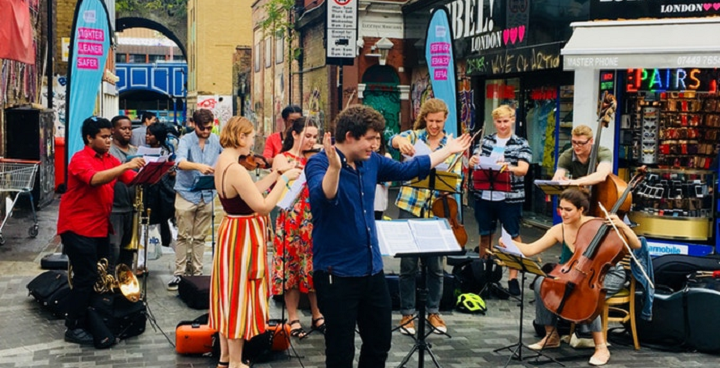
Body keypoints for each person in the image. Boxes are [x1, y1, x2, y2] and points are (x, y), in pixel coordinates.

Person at [305, 105, 471, 368]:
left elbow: (408, 169)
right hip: (336, 274)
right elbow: (324, 197)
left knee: (380, 342)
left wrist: (448, 151)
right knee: (340, 350)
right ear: (350, 136)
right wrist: (335, 169)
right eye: (371, 139)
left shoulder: (372, 162)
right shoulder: (319, 162)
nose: (375, 145)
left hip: (371, 271)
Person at [502, 187, 641, 366]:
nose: (563, 213)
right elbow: (531, 249)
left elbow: (636, 244)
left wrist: (621, 225)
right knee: (541, 283)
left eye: (568, 210)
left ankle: (601, 347)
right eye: (561, 208)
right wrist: (509, 244)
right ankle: (551, 335)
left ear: (581, 210)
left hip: (609, 274)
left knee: (586, 294)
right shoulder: (559, 229)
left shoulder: (596, 225)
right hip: (579, 273)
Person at [209, 116, 301, 368]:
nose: (252, 143)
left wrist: (276, 175)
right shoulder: (237, 168)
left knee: (227, 293)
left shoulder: (223, 161)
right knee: (240, 295)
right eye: (250, 137)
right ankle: (237, 362)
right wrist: (284, 181)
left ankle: (225, 357)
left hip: (231, 228)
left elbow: (250, 190)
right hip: (243, 234)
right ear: (240, 137)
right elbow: (261, 207)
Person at [57, 116, 145, 345]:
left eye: (109, 136)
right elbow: (95, 179)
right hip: (78, 227)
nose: (109, 141)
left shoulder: (109, 159)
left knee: (103, 277)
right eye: (104, 137)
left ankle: (94, 317)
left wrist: (156, 171)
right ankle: (73, 326)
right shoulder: (79, 159)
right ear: (89, 138)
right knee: (85, 278)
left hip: (99, 227)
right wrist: (125, 164)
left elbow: (130, 179)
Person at [390, 98, 462, 335]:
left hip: (438, 208)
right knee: (408, 264)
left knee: (435, 265)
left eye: (438, 121)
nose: (434, 126)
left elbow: (456, 177)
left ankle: (434, 311)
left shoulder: (450, 143)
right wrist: (400, 142)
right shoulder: (414, 136)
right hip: (410, 204)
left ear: (445, 119)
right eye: (430, 121)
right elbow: (393, 139)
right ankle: (407, 314)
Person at [468, 105, 531, 296]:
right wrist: (472, 162)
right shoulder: (486, 141)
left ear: (512, 120)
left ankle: (513, 277)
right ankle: (483, 273)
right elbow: (474, 161)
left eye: (505, 121)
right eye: (498, 121)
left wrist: (507, 167)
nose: (502, 125)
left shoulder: (521, 143)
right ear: (494, 122)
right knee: (485, 234)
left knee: (512, 235)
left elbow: (523, 169)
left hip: (509, 196)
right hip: (485, 194)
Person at [270, 117, 324, 338]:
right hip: (290, 219)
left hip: (313, 219)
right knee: (291, 269)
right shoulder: (282, 158)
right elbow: (281, 173)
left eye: (314, 137)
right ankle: (293, 316)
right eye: (307, 136)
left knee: (313, 268)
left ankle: (317, 313)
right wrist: (297, 165)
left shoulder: (318, 159)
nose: (311, 141)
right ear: (294, 134)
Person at [168, 109, 223, 290]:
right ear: (194, 124)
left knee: (200, 237)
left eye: (209, 128)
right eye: (202, 128)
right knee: (184, 236)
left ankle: (197, 273)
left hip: (207, 193)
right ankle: (180, 274)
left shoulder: (216, 140)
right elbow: (179, 162)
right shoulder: (185, 140)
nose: (206, 132)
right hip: (186, 192)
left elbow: (226, 156)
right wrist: (199, 166)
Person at [108, 115, 139, 271]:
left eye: (129, 128)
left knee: (129, 251)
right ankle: (110, 284)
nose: (128, 132)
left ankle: (125, 286)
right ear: (113, 130)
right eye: (123, 128)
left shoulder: (136, 151)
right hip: (115, 207)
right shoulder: (109, 151)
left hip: (132, 207)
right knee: (114, 248)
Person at [145, 122, 177, 249]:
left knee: (169, 227)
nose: (147, 137)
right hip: (149, 194)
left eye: (150, 135)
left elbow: (173, 172)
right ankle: (142, 263)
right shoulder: (141, 151)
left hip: (163, 195)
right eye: (146, 134)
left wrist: (172, 173)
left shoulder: (167, 152)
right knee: (146, 226)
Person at [373, 135, 391, 220]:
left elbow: (389, 182)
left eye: (378, 139)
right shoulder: (362, 155)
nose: (375, 142)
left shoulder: (386, 156)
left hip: (378, 198)